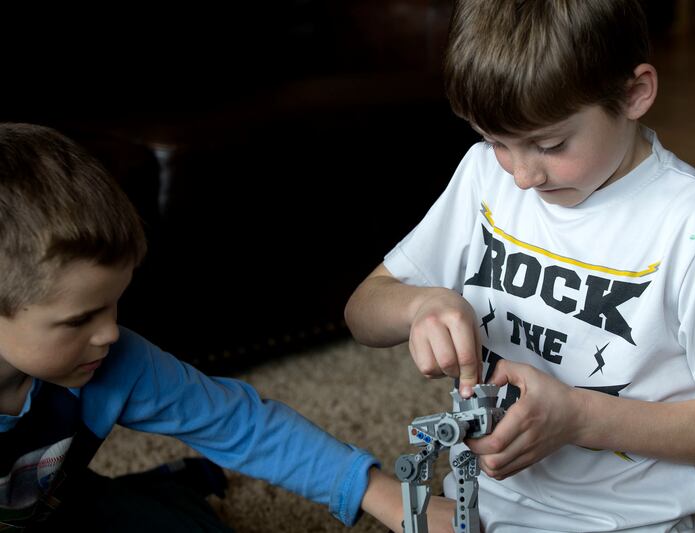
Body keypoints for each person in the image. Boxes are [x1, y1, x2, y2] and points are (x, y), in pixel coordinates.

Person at [344, 0, 695, 531]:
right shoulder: (485, 176)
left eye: (550, 144)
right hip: (477, 504)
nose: (523, 176)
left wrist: (579, 417)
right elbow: (362, 312)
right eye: (496, 141)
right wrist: (420, 305)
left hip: (627, 523)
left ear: (635, 94)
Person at [0, 122, 410, 532]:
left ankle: (165, 492)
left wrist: (386, 496)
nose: (110, 332)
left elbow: (239, 424)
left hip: (54, 500)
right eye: (78, 320)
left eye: (113, 304)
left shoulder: (114, 359)